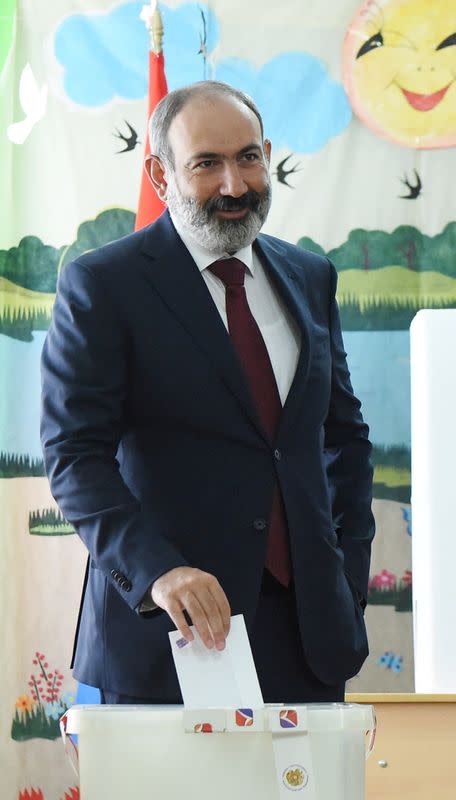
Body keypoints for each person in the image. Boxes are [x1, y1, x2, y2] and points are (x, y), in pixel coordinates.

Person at [40, 80, 375, 705]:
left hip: (309, 635)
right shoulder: (103, 285)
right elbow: (75, 456)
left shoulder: (310, 275)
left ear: (268, 154)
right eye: (206, 164)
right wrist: (158, 572)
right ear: (160, 176)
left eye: (248, 157)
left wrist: (348, 569)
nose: (234, 184)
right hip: (171, 632)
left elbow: (344, 440)